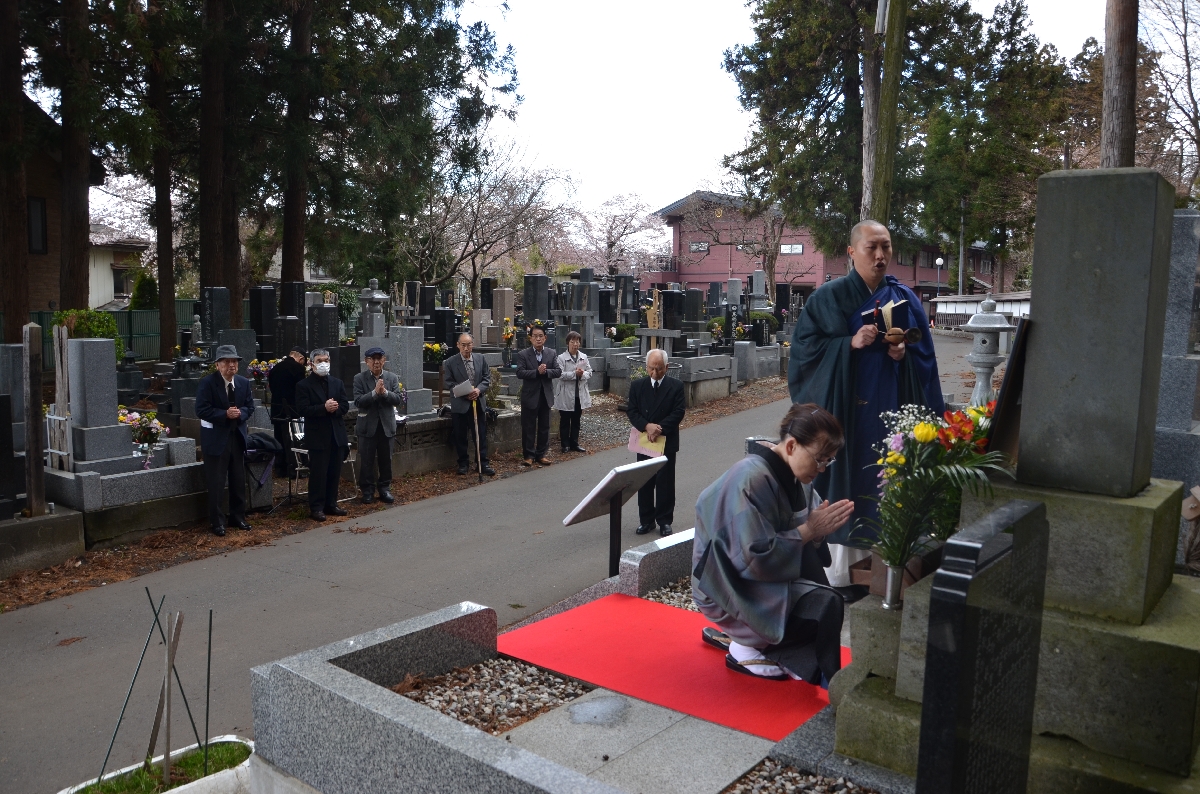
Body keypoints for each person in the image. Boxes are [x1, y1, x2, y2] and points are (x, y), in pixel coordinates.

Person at [788, 219, 943, 584]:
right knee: (848, 482)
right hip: (847, 416)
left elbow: (924, 359)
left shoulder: (904, 298)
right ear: (851, 251)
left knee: (888, 482)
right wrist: (848, 344)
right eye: (871, 247)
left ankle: (891, 566)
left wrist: (903, 354)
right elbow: (804, 353)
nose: (879, 255)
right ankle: (839, 575)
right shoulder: (828, 297)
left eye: (885, 247)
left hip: (890, 411)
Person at [692, 403, 855, 684]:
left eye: (828, 461)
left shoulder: (798, 478)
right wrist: (809, 530)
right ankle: (744, 647)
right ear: (791, 446)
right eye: (819, 459)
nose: (822, 469)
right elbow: (752, 559)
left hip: (761, 577)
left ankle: (773, 649)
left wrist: (817, 534)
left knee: (825, 600)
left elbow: (807, 533)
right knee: (823, 604)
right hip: (724, 585)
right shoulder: (749, 478)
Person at [195, 345, 256, 536]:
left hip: (237, 437)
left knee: (238, 480)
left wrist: (240, 413)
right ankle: (217, 522)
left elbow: (249, 407)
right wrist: (224, 414)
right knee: (216, 482)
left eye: (234, 361)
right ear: (217, 365)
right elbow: (201, 409)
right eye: (227, 362)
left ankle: (238, 516)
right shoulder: (208, 383)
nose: (231, 365)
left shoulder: (243, 383)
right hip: (216, 439)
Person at [626, 348, 686, 536]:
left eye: (659, 369)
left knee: (665, 482)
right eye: (651, 368)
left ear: (666, 367)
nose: (655, 372)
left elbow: (678, 412)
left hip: (666, 439)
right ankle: (646, 520)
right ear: (646, 367)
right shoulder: (638, 386)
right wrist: (646, 426)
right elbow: (632, 410)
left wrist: (659, 428)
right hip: (645, 439)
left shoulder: (676, 386)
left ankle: (665, 521)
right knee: (644, 481)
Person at [295, 348, 350, 521]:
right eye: (319, 361)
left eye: (326, 360)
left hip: (336, 434)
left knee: (334, 471)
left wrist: (335, 409)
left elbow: (345, 405)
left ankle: (331, 503)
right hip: (317, 435)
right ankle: (316, 507)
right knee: (319, 473)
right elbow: (302, 409)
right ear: (312, 364)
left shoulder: (337, 383)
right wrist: (323, 408)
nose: (323, 364)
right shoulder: (303, 385)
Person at [352, 347, 404, 503]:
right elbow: (358, 401)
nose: (376, 362)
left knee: (386, 460)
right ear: (366, 361)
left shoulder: (392, 377)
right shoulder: (359, 378)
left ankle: (384, 489)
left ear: (384, 360)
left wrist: (385, 393)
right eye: (372, 359)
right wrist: (374, 393)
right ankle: (367, 490)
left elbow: (398, 399)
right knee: (366, 460)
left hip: (386, 425)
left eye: (379, 359)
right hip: (367, 426)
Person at [443, 333, 496, 477]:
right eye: (463, 345)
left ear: (473, 344)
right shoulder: (450, 362)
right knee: (460, 435)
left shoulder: (480, 359)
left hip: (478, 401)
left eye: (469, 345)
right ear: (458, 345)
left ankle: (482, 463)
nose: (466, 348)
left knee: (480, 434)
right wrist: (465, 393)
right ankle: (463, 463)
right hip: (460, 404)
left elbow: (486, 377)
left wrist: (478, 390)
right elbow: (449, 382)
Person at [515, 324, 560, 467]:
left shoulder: (551, 353)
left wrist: (546, 372)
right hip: (530, 396)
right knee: (528, 427)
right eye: (535, 336)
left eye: (541, 336)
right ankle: (528, 455)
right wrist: (536, 372)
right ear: (530, 338)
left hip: (545, 395)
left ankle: (541, 454)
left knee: (544, 426)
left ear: (545, 338)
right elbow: (520, 373)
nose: (538, 339)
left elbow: (558, 371)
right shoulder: (523, 354)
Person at [268, 346, 307, 477]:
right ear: (301, 358)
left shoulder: (275, 368)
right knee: (292, 440)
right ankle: (293, 468)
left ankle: (280, 468)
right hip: (291, 409)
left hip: (277, 409)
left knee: (279, 438)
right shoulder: (297, 368)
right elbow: (301, 390)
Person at [553, 330, 592, 454]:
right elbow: (559, 374)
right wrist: (574, 374)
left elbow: (590, 372)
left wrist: (582, 374)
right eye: (572, 341)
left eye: (577, 341)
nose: (575, 344)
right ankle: (565, 444)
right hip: (565, 394)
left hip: (579, 394)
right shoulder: (561, 358)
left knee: (576, 420)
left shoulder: (583, 357)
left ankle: (574, 443)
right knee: (565, 420)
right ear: (567, 343)